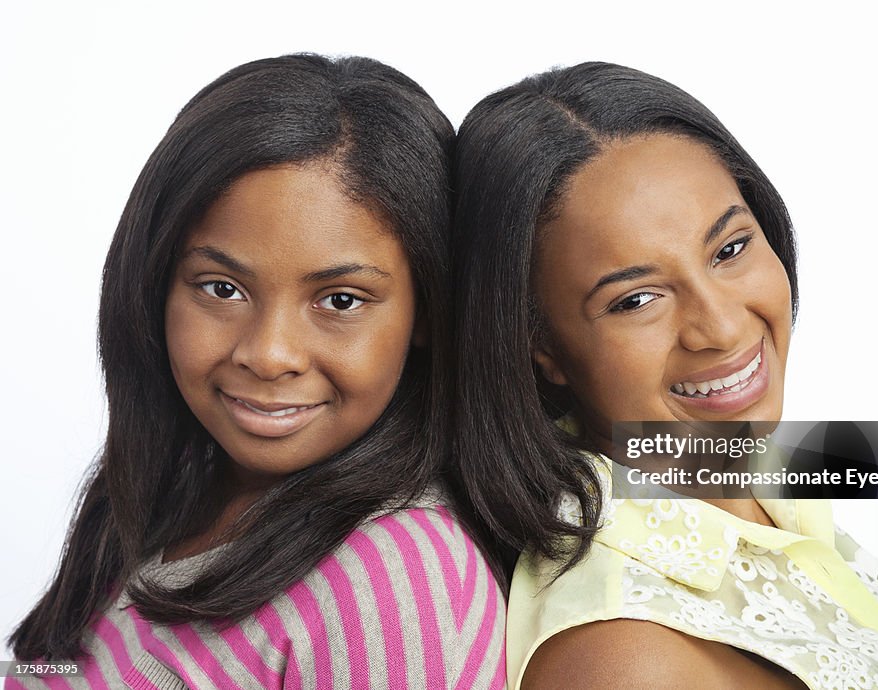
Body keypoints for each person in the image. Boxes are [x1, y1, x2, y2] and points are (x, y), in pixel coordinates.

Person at [450, 62, 878, 689]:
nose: (722, 327)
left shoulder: (764, 489)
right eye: (636, 300)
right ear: (537, 347)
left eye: (730, 249)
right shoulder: (625, 658)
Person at [7, 54, 505, 689]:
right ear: (156, 282)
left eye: (341, 301)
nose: (269, 354)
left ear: (426, 313)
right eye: (221, 288)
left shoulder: (394, 585)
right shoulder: (180, 475)